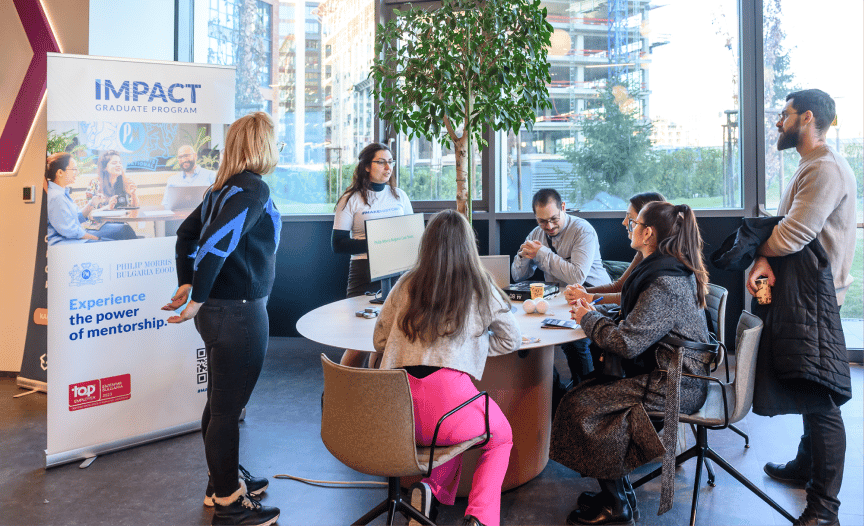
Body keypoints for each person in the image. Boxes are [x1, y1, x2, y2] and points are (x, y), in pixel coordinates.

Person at [550, 201, 713, 525]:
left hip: (677, 384)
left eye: (634, 222)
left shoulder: (663, 281)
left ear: (648, 233)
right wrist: (594, 312)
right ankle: (616, 494)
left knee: (582, 406)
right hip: (670, 373)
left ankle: (617, 505)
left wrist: (588, 317)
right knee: (584, 396)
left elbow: (626, 342)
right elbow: (637, 325)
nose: (629, 225)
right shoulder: (664, 269)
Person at [162, 112, 282, 526]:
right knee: (228, 408)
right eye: (275, 140)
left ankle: (221, 482)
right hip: (240, 314)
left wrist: (189, 284)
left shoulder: (222, 188)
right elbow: (214, 244)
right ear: (262, 145)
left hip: (220, 313)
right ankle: (230, 502)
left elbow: (186, 237)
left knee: (220, 404)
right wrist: (195, 293)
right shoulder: (252, 188)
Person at [747, 89, 856, 526]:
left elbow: (793, 234)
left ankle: (824, 510)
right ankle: (805, 466)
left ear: (807, 118)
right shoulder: (809, 165)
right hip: (807, 295)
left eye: (784, 114)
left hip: (818, 299)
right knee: (810, 388)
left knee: (821, 398)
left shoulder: (824, 169)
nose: (778, 122)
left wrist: (759, 255)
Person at [373, 209, 521, 526]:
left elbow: (380, 339)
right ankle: (479, 518)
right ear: (468, 245)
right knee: (500, 437)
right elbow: (511, 340)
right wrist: (468, 349)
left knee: (448, 435)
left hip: (397, 410)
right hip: (449, 405)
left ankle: (428, 490)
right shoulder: (480, 284)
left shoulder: (405, 283)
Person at [511, 188, 610, 391]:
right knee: (530, 334)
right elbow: (518, 276)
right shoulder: (537, 234)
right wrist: (523, 256)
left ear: (563, 207)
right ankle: (556, 394)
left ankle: (585, 393)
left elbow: (577, 277)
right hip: (559, 301)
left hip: (593, 298)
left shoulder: (583, 231)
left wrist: (542, 253)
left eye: (553, 219)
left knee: (573, 340)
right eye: (542, 221)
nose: (549, 226)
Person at [332, 142, 412, 366]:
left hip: (398, 273)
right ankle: (337, 390)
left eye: (391, 162)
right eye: (382, 162)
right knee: (360, 340)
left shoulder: (400, 196)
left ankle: (374, 393)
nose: (388, 167)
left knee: (387, 341)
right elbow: (338, 244)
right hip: (363, 271)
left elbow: (411, 237)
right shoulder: (351, 199)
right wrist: (378, 242)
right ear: (367, 166)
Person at [564, 192, 666, 306]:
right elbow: (619, 287)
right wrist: (583, 292)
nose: (624, 222)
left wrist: (588, 297)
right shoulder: (643, 251)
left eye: (631, 218)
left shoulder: (661, 262)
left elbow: (634, 299)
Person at [44, 152, 136, 244]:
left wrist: (92, 203)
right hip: (67, 242)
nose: (77, 172)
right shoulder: (56, 196)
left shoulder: (63, 194)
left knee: (123, 231)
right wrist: (97, 239)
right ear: (60, 172)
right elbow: (72, 231)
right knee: (116, 239)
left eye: (120, 163)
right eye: (74, 169)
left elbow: (78, 217)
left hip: (74, 238)